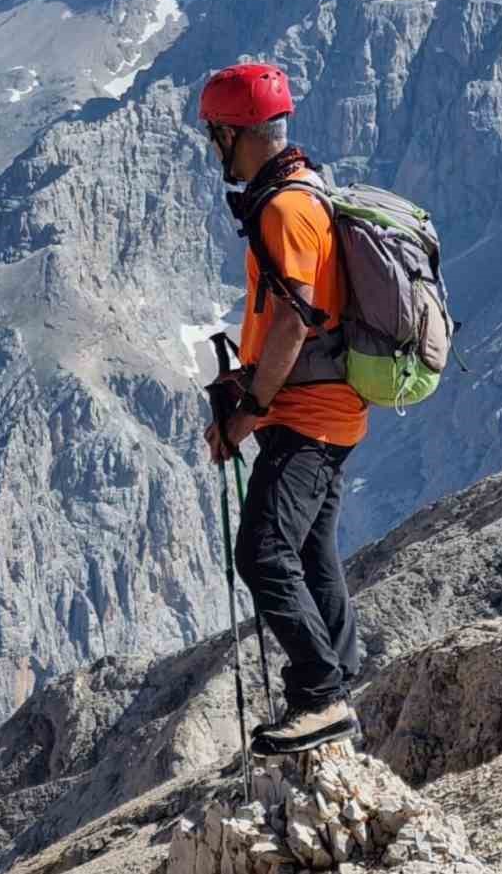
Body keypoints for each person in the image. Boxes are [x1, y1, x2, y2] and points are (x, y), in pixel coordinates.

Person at [199, 62, 363, 756]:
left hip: (306, 415)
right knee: (309, 549)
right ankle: (339, 684)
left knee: (262, 549)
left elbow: (295, 322)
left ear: (240, 133)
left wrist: (248, 411)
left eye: (218, 136)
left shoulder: (284, 209)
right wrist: (245, 390)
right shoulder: (304, 192)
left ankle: (319, 695)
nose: (215, 150)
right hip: (329, 410)